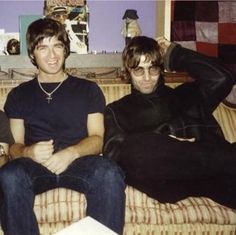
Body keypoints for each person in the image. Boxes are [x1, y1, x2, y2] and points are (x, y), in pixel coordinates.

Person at [0, 18, 125, 235]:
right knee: (10, 174)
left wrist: (71, 153)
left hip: (79, 163)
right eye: (43, 47)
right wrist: (29, 151)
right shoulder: (19, 95)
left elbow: (97, 139)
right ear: (32, 54)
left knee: (109, 172)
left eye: (57, 45)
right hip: (36, 168)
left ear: (65, 49)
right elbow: (14, 148)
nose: (52, 55)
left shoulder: (88, 90)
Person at [103, 36, 236, 209]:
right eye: (139, 70)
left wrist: (175, 53)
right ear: (128, 71)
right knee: (132, 149)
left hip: (211, 176)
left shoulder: (187, 94)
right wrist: (169, 143)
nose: (147, 77)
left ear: (161, 68)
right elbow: (113, 159)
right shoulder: (117, 110)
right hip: (166, 179)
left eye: (153, 69)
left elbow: (223, 78)